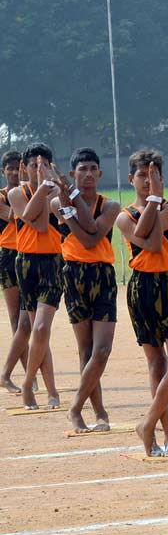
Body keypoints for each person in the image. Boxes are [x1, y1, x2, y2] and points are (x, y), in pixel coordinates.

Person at [116, 150, 168, 457]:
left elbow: (155, 240)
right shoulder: (123, 216)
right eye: (143, 175)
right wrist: (152, 202)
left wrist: (156, 203)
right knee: (156, 363)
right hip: (142, 287)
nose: (149, 181)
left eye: (155, 175)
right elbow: (143, 236)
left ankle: (147, 423)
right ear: (131, 178)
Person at [50, 148, 119, 433]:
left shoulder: (110, 205)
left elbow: (92, 234)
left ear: (99, 174)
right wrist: (70, 210)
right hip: (75, 274)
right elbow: (85, 237)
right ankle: (97, 411)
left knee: (102, 350)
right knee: (86, 350)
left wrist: (74, 202)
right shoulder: (56, 203)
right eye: (82, 170)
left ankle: (76, 407)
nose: (88, 174)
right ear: (72, 174)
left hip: (103, 275)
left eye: (93, 169)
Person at [7, 143, 63, 409]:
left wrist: (46, 187)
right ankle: (52, 391)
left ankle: (29, 383)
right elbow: (31, 218)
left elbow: (44, 225)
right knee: (39, 332)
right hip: (26, 264)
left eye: (43, 166)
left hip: (51, 263)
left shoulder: (56, 193)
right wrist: (40, 187)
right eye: (33, 166)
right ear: (23, 168)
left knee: (41, 328)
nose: (38, 170)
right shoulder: (17, 193)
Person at [0, 150, 26, 393]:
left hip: (30, 255)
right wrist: (24, 199)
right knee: (17, 318)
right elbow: (11, 216)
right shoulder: (2, 196)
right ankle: (18, 373)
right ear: (3, 171)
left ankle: (29, 373)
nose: (16, 173)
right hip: (9, 254)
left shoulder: (27, 193)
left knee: (29, 317)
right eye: (11, 169)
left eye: (20, 168)